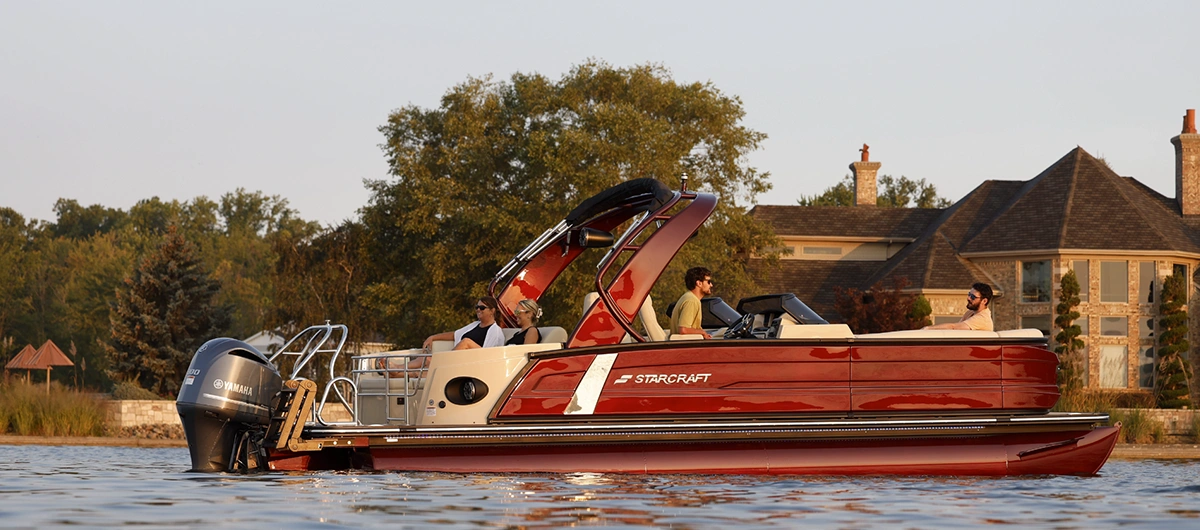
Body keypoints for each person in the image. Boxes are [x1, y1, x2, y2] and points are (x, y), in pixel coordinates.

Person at [423, 296, 506, 350]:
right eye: (477, 307)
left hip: (471, 363)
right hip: (459, 358)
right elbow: (455, 335)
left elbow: (489, 356)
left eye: (482, 308)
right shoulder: (475, 325)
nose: (478, 310)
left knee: (466, 342)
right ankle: (413, 374)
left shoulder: (496, 332)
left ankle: (445, 362)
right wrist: (432, 337)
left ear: (492, 311)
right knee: (425, 360)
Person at [924, 282, 994, 331]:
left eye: (973, 297)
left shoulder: (982, 318)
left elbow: (954, 328)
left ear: (984, 301)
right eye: (969, 294)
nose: (968, 298)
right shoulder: (970, 313)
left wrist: (927, 329)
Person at [669, 267, 713, 339]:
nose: (711, 285)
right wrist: (702, 332)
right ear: (699, 283)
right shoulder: (692, 301)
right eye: (708, 282)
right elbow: (683, 330)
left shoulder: (687, 297)